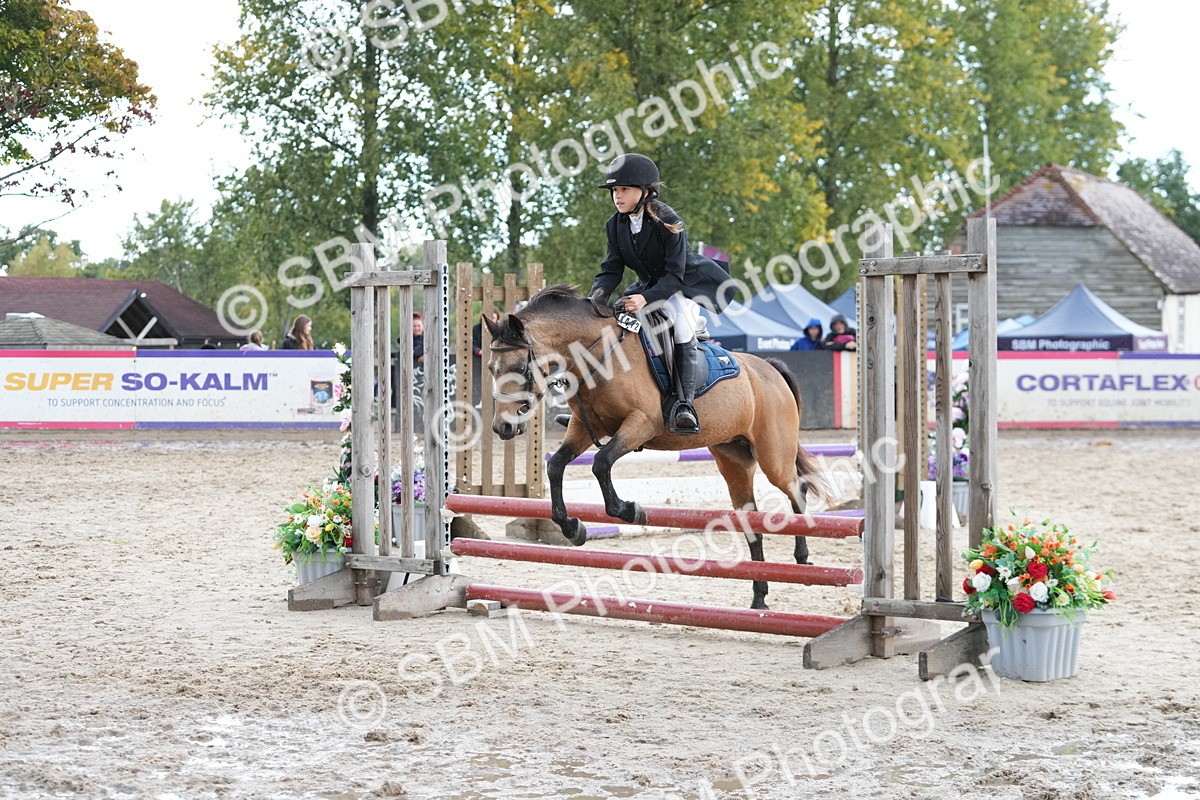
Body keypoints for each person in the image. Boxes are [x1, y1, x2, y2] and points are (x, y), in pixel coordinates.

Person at [587, 153, 732, 434]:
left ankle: (685, 404)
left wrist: (646, 299)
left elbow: (675, 274)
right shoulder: (614, 224)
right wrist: (596, 298)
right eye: (614, 190)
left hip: (682, 287)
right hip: (647, 286)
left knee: (681, 328)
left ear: (645, 191)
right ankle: (599, 406)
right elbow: (611, 269)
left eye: (624, 189)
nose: (617, 196)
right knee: (613, 323)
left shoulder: (668, 221)